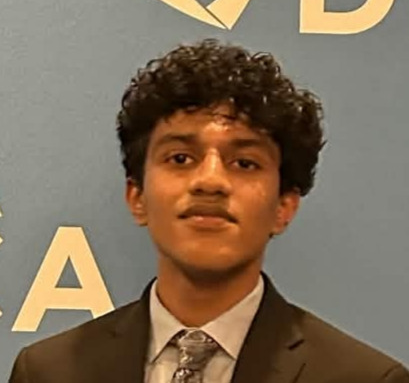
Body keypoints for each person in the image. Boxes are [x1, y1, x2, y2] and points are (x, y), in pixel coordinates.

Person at [9, 39, 409, 383]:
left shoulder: (364, 378)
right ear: (137, 197)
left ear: (284, 206)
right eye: (181, 158)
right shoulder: (49, 371)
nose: (210, 181)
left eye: (244, 163)